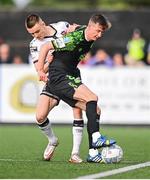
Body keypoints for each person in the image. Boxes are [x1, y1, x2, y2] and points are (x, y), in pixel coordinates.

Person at [37, 13, 116, 163]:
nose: (99, 35)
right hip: (59, 75)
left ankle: (93, 153)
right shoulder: (74, 39)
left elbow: (78, 27)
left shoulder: (86, 31)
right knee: (92, 98)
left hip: (70, 74)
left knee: (96, 109)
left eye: (102, 32)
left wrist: (73, 26)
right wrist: (41, 70)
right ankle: (96, 137)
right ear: (91, 26)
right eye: (98, 31)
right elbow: (46, 46)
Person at [25, 14, 84, 163]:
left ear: (43, 23)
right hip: (54, 80)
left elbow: (78, 33)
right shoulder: (34, 45)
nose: (35, 35)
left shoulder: (62, 26)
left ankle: (75, 153)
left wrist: (76, 29)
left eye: (37, 31)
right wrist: (48, 62)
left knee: (77, 110)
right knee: (39, 117)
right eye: (31, 33)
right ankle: (52, 140)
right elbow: (41, 71)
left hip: (69, 74)